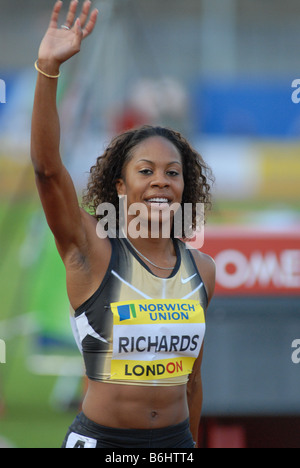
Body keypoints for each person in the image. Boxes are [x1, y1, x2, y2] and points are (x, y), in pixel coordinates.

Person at [31, 0, 216, 449]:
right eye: (146, 171)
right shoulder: (91, 249)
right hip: (102, 443)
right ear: (119, 185)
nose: (161, 182)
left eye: (173, 173)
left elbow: (192, 383)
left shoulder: (202, 269)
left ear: (185, 187)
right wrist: (48, 71)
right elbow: (48, 171)